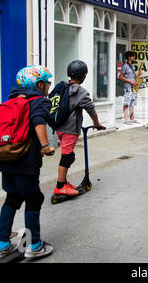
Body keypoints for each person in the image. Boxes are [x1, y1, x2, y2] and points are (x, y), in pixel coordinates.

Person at [0, 65, 55, 260]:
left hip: (5, 159)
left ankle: (2, 244)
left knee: (12, 198)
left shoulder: (10, 102)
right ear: (39, 84)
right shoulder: (39, 101)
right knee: (34, 198)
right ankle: (35, 245)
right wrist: (46, 146)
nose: (48, 87)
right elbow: (39, 120)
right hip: (25, 161)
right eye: (47, 83)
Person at [53, 60, 105, 197]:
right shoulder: (81, 92)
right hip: (70, 130)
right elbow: (91, 109)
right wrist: (97, 123)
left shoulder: (62, 87)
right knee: (67, 157)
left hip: (59, 128)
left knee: (67, 155)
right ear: (84, 76)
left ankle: (63, 182)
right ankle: (60, 187)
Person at [118, 51, 139, 125]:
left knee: (132, 102)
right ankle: (126, 119)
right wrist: (130, 81)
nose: (134, 57)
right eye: (133, 56)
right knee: (127, 102)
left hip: (133, 87)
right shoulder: (125, 66)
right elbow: (120, 76)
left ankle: (132, 118)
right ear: (129, 57)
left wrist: (138, 75)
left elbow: (132, 75)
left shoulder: (132, 66)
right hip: (128, 87)